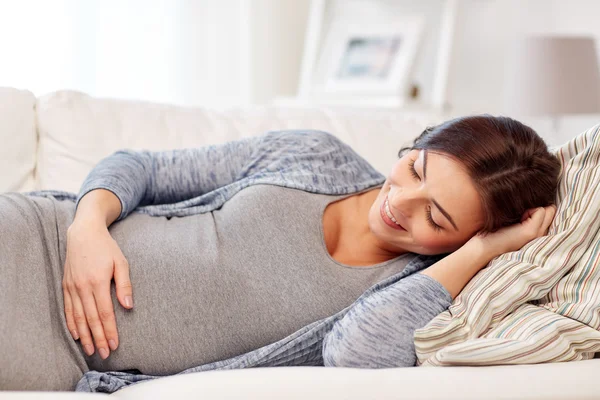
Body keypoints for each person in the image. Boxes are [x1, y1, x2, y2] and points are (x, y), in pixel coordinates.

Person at [1, 115, 560, 391]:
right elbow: (142, 167)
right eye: (416, 168)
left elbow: (354, 358)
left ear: (465, 239)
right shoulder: (315, 155)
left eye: (436, 217)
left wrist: (487, 249)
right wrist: (88, 228)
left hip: (63, 355)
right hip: (40, 239)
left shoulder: (410, 293)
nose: (400, 202)